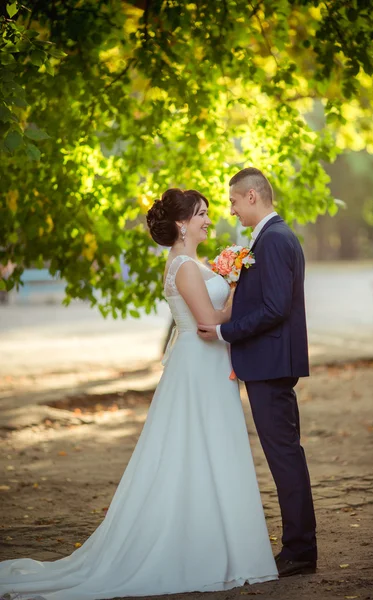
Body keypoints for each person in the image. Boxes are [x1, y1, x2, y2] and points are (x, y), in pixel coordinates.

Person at [0, 188, 278, 599]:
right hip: (198, 366)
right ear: (182, 224)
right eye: (201, 214)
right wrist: (237, 286)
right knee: (199, 448)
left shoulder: (191, 263)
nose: (207, 219)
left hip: (209, 366)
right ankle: (203, 550)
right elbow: (208, 321)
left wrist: (231, 279)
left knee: (211, 448)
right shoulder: (184, 266)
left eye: (206, 212)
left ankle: (219, 544)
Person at [198, 168, 318, 577]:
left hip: (271, 365)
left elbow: (275, 308)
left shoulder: (276, 240)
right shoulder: (267, 239)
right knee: (285, 455)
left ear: (252, 196)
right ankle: (299, 546)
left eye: (233, 201)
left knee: (284, 457)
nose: (231, 209)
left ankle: (300, 550)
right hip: (267, 364)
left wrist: (224, 331)